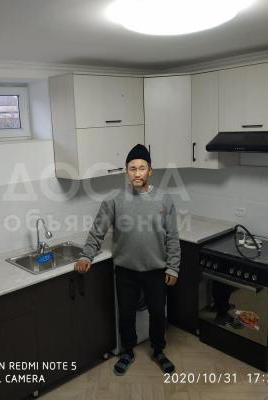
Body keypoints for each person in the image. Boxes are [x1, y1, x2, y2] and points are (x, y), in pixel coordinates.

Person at [74, 143, 181, 376]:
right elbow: (97, 231)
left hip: (156, 270)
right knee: (126, 314)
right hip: (126, 270)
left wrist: (173, 267)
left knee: (157, 314)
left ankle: (158, 351)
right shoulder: (114, 200)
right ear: (126, 171)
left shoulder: (164, 200)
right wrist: (86, 255)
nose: (137, 173)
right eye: (132, 168)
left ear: (150, 170)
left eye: (142, 168)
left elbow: (172, 237)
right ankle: (127, 352)